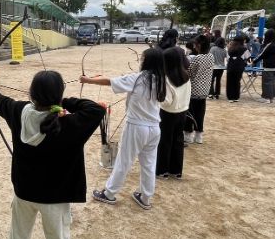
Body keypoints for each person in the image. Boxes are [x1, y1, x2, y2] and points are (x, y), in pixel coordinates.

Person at [0, 70, 105, 239]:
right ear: (59, 96)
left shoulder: (19, 111)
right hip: (56, 199)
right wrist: (62, 103)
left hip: (25, 194)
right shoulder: (70, 123)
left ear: (32, 94)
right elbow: (95, 108)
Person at [80, 48, 166, 210]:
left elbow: (109, 81)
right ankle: (146, 197)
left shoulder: (138, 78)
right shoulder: (161, 80)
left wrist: (87, 80)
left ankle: (109, 193)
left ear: (147, 62)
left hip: (137, 127)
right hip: (154, 129)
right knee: (149, 164)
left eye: (143, 59)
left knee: (124, 160)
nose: (140, 61)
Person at [156, 47, 191, 179]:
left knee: (165, 141)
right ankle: (176, 170)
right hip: (182, 112)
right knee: (178, 140)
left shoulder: (166, 79)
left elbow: (166, 102)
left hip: (167, 113)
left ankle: (162, 170)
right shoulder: (186, 76)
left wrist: (157, 99)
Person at [183, 35, 214, 144]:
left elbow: (189, 73)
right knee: (200, 113)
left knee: (190, 113)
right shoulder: (211, 56)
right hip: (205, 90)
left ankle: (188, 134)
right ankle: (199, 135)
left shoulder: (197, 59)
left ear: (199, 45)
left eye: (195, 44)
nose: (194, 46)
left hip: (194, 89)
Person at [251, 29, 275, 103]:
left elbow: (262, 54)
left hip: (269, 66)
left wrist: (254, 61)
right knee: (274, 82)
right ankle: (272, 97)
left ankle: (266, 98)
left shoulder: (270, 45)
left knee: (267, 82)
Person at [226, 36, 251, 102]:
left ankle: (230, 97)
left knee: (230, 82)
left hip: (230, 66)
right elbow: (248, 58)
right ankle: (236, 97)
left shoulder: (230, 48)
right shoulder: (244, 49)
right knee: (237, 81)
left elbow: (227, 59)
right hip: (239, 67)